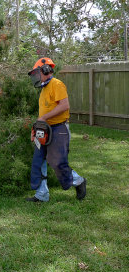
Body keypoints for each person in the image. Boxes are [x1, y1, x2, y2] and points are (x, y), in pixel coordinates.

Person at [26, 57, 86, 202]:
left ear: (45, 70)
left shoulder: (57, 84)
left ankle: (78, 181)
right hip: (44, 129)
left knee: (57, 162)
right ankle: (42, 195)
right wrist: (35, 130)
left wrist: (44, 118)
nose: (36, 77)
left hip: (59, 128)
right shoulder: (44, 89)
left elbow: (64, 106)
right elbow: (42, 115)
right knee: (38, 161)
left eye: (37, 73)